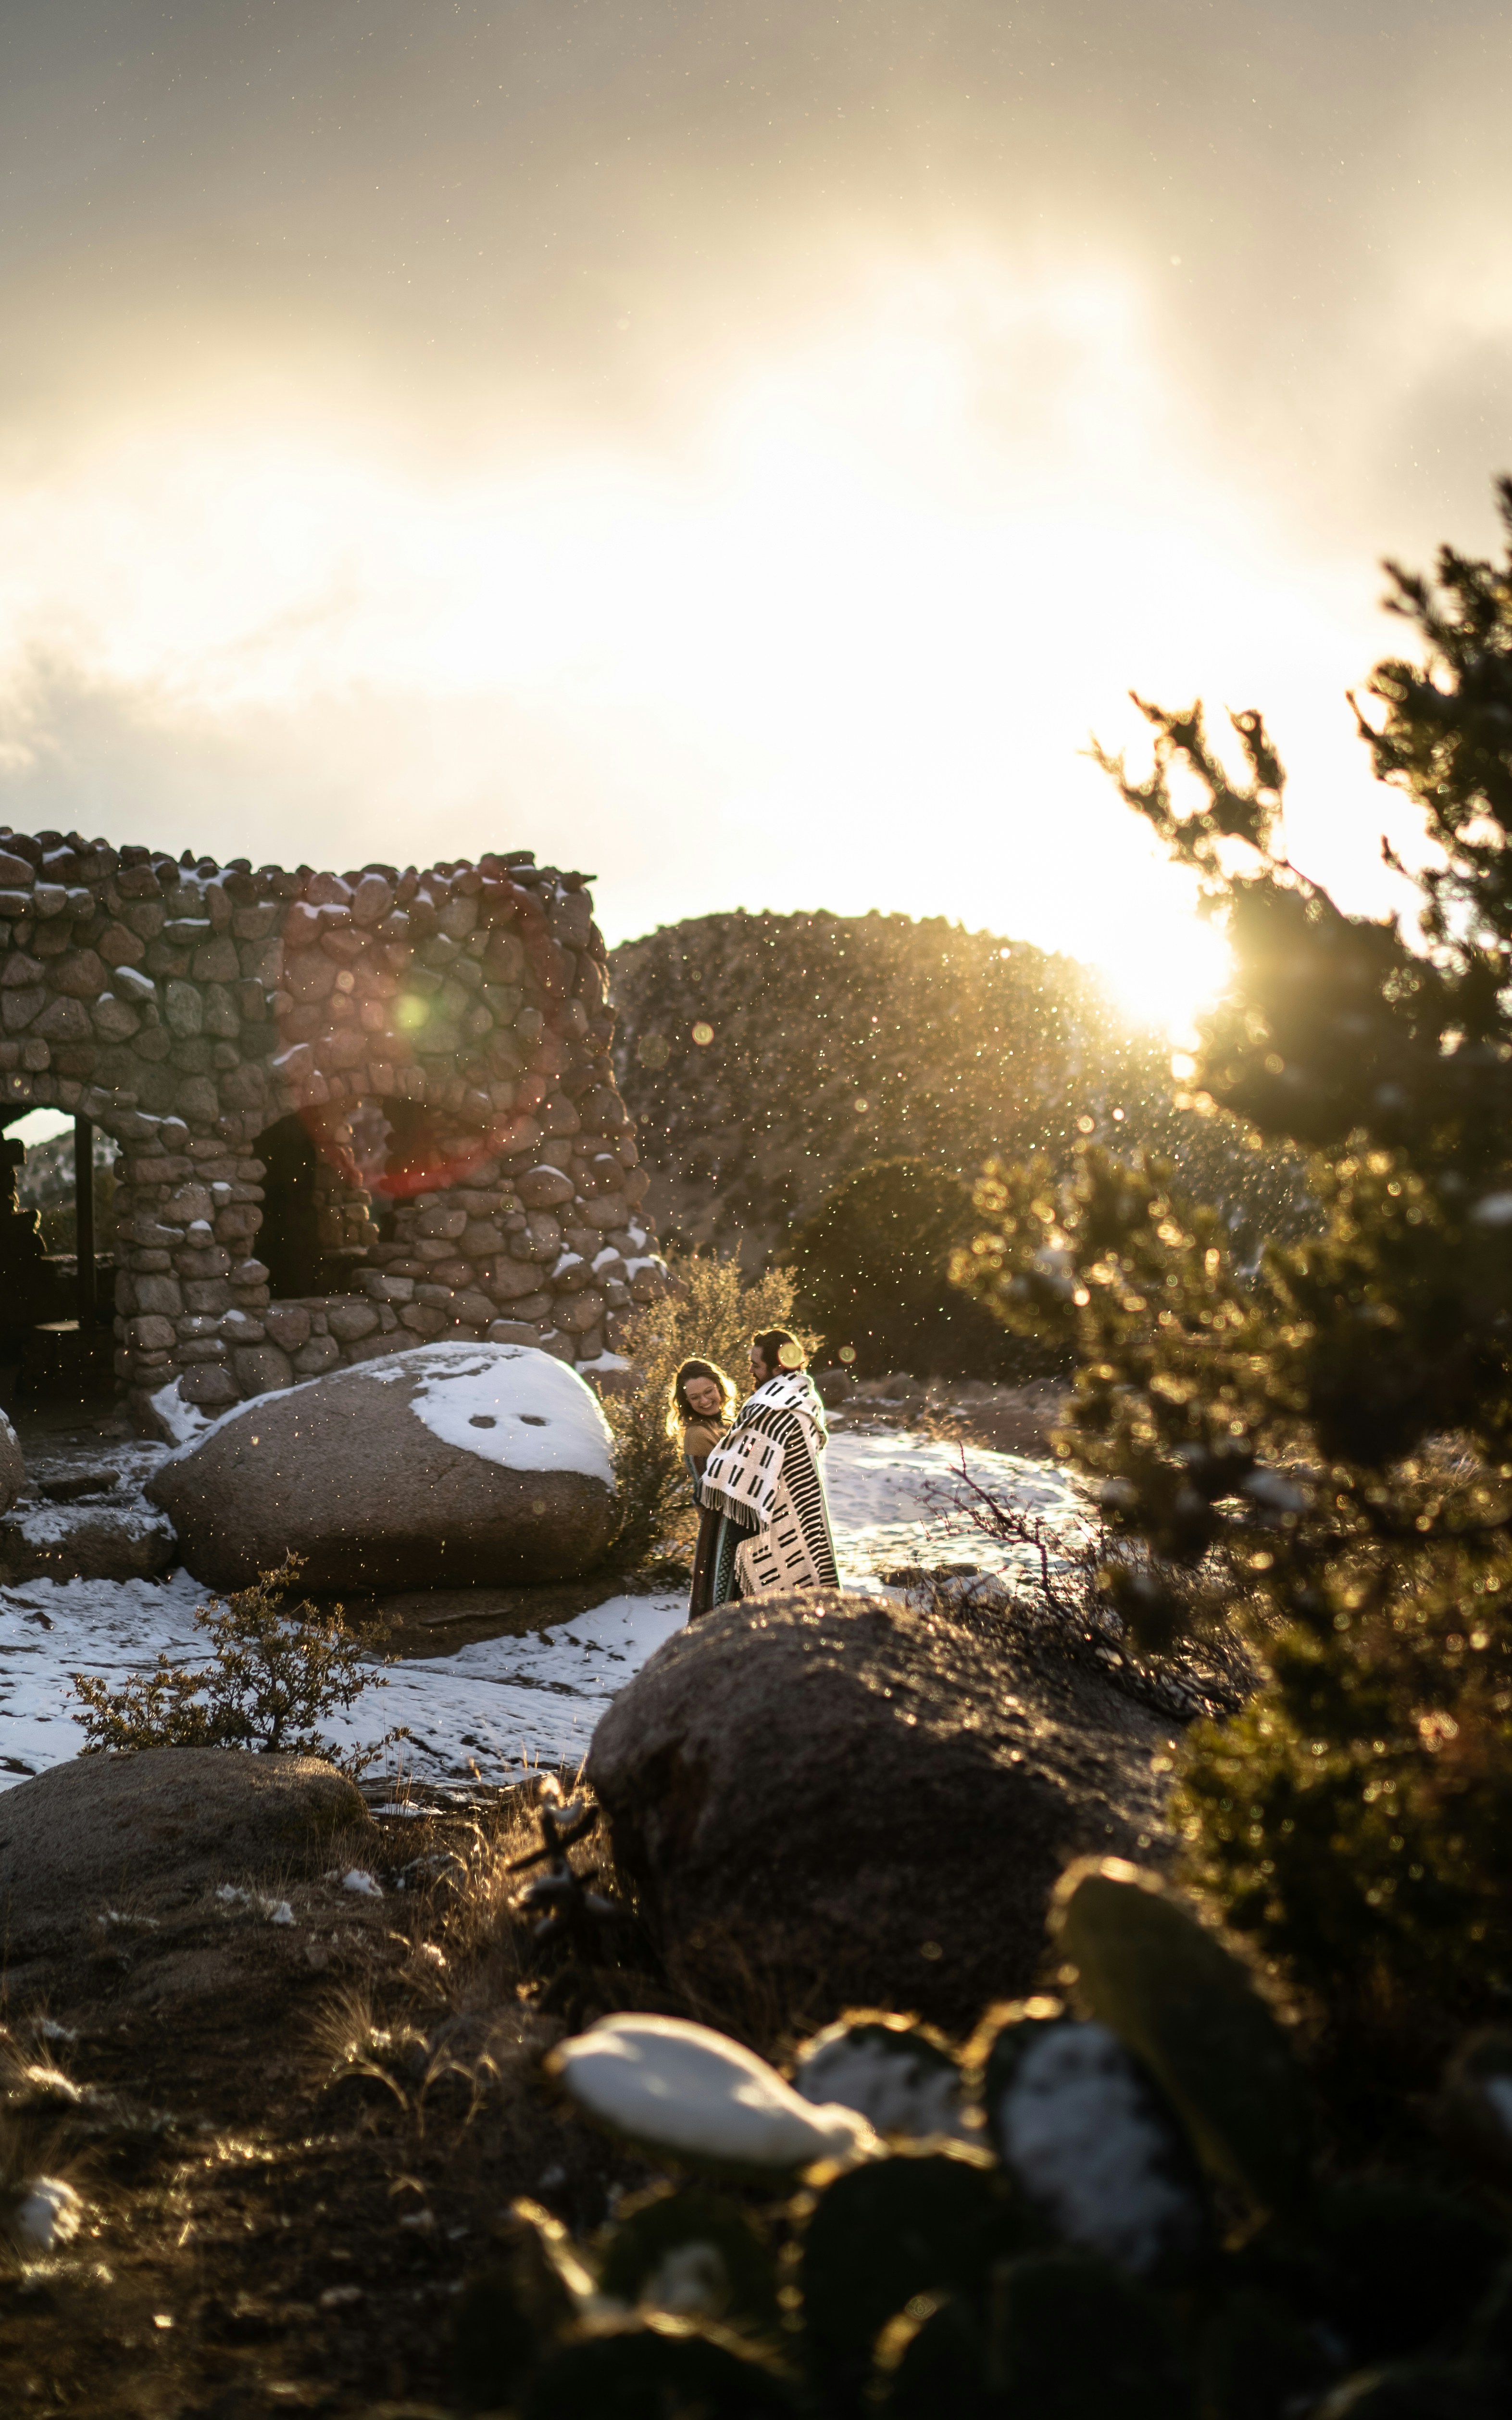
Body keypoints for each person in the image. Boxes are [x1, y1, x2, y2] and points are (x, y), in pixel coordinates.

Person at [689, 1328, 839, 1614]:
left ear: (777, 1367)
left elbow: (739, 1463)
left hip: (767, 1515)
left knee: (757, 1604)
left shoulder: (768, 1406)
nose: (751, 1370)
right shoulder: (803, 1396)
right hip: (799, 1505)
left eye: (756, 1365)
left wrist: (710, 1475)